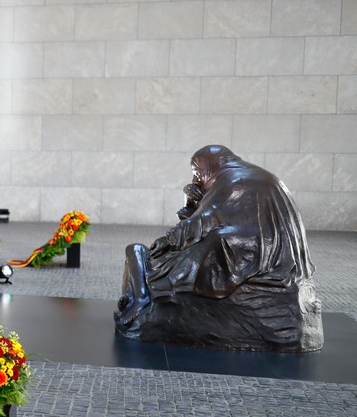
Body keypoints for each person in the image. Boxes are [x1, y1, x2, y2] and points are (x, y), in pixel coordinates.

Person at [114, 145, 323, 352]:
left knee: (160, 260)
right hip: (281, 259)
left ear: (207, 166)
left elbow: (202, 223)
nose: (196, 180)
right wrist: (194, 201)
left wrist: (166, 239)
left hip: (245, 254)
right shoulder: (259, 176)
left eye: (197, 173)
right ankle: (146, 293)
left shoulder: (229, 180)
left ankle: (149, 295)